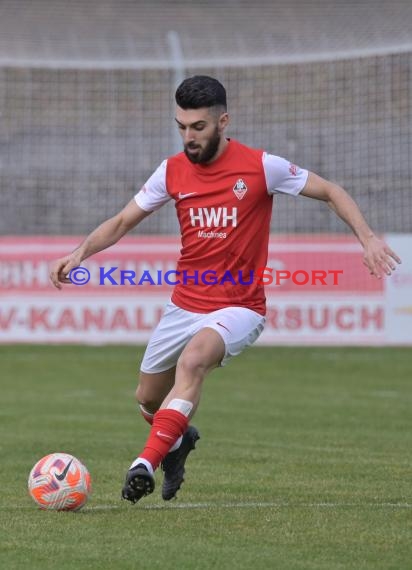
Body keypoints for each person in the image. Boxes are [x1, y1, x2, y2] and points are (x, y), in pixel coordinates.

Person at [50, 75, 401, 504]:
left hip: (240, 307)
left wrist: (366, 238)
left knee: (194, 361)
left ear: (223, 122)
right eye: (181, 126)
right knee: (147, 400)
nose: (188, 136)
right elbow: (123, 221)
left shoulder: (260, 166)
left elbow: (329, 191)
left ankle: (144, 463)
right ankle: (177, 443)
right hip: (183, 305)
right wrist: (79, 252)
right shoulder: (172, 171)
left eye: (198, 127)